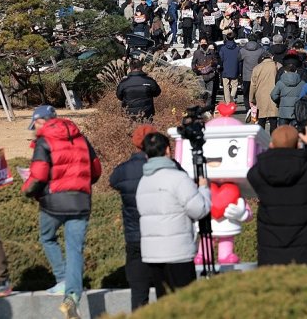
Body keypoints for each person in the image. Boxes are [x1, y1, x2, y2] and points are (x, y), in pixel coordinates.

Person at [21, 105, 102, 318]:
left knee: (47, 237)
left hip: (53, 203)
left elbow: (38, 175)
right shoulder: (81, 138)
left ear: (41, 121)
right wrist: (81, 183)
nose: (34, 128)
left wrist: (27, 190)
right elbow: (96, 170)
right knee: (75, 249)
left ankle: (62, 279)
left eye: (35, 124)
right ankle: (72, 295)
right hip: (81, 201)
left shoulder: (44, 140)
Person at [247, 126, 307, 265]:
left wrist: (271, 150)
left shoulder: (258, 173)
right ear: (298, 145)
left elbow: (251, 172)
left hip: (271, 255)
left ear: (271, 145)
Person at [135, 132, 211, 297]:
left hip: (153, 254)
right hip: (178, 252)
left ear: (146, 154)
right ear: (168, 150)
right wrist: (204, 189)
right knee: (185, 301)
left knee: (165, 303)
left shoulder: (143, 182)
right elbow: (199, 209)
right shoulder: (178, 178)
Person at [109, 125, 158, 310]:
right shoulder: (165, 167)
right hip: (161, 236)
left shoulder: (123, 170)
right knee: (165, 289)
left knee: (138, 292)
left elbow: (112, 181)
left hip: (134, 236)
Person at [249, 51, 279, 134]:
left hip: (261, 96)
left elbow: (253, 85)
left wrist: (251, 99)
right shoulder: (277, 65)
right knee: (273, 120)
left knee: (261, 119)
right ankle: (273, 139)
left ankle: (261, 138)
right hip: (274, 95)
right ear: (271, 57)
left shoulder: (257, 68)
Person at [238, 33, 266, 110]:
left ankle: (248, 109)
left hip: (246, 75)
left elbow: (238, 60)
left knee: (246, 93)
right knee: (257, 92)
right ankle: (256, 108)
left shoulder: (243, 50)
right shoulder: (261, 50)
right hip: (258, 75)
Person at [192, 38, 219, 107]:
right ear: (199, 43)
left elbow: (216, 61)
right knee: (202, 94)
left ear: (207, 43)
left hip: (210, 75)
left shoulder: (211, 52)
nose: (203, 44)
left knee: (210, 94)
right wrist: (196, 70)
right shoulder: (196, 52)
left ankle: (208, 108)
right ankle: (202, 108)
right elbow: (193, 63)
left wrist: (213, 65)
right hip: (200, 76)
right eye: (202, 42)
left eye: (205, 42)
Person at [219, 32, 241, 103]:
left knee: (226, 87)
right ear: (234, 38)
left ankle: (228, 102)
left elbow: (221, 59)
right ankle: (232, 98)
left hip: (225, 69)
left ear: (226, 38)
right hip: (235, 69)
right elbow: (239, 60)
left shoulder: (223, 48)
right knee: (234, 85)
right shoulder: (237, 48)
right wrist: (239, 70)